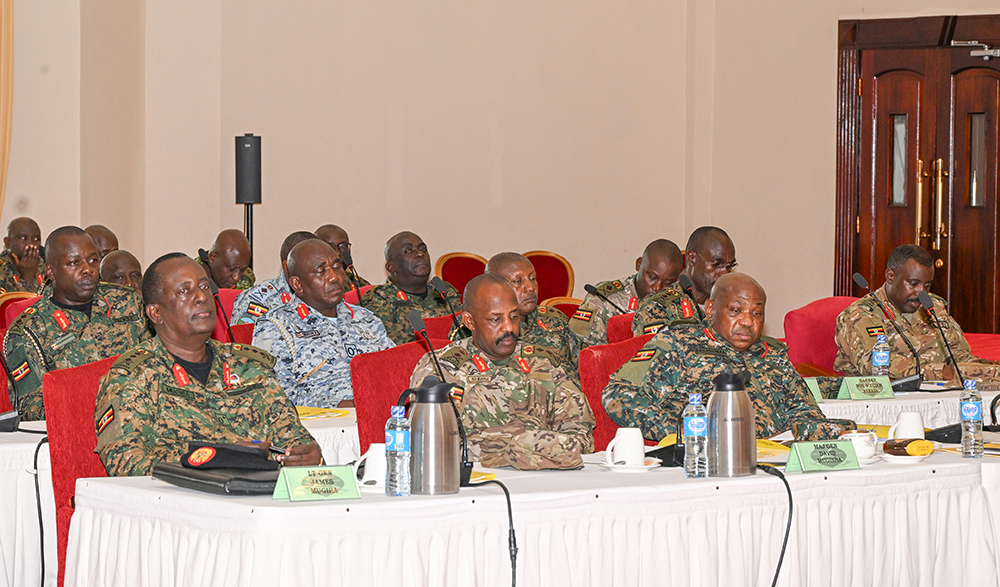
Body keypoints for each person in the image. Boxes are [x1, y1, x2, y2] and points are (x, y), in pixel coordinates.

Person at [94, 253, 322, 477]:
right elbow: (124, 461)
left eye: (204, 287)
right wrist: (216, 459)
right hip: (183, 503)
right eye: (184, 291)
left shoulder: (249, 367)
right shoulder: (133, 377)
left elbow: (293, 435)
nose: (201, 297)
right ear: (156, 313)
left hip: (261, 497)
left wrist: (306, 455)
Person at [605, 273, 855, 442]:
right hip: (708, 466)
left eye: (757, 314)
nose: (748, 322)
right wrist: (685, 430)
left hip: (775, 463)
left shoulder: (773, 355)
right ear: (711, 308)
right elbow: (618, 394)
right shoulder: (677, 344)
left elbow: (804, 412)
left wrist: (843, 432)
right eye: (736, 310)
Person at [411, 274, 595, 470]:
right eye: (495, 319)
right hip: (480, 481)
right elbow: (429, 444)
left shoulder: (541, 362)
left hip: (549, 474)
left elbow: (581, 432)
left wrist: (544, 452)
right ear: (469, 321)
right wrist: (511, 453)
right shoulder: (441, 367)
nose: (509, 327)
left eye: (514, 316)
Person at [4, 227, 149, 420]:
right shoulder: (28, 332)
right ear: (50, 271)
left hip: (142, 421)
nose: (88, 270)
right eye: (74, 263)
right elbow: (31, 409)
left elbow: (155, 361)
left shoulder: (126, 302)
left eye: (93, 260)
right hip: (76, 429)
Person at [253, 239, 394, 407]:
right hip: (320, 427)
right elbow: (274, 396)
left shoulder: (366, 319)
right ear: (297, 284)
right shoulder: (276, 327)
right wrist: (343, 405)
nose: (334, 277)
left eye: (336, 267)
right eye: (321, 271)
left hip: (379, 417)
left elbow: (395, 370)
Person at [835, 244, 1000, 385]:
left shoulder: (932, 306)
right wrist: (941, 372)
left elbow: (959, 357)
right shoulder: (860, 315)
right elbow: (877, 367)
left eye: (927, 285)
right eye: (913, 284)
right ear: (890, 276)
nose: (921, 293)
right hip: (878, 402)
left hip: (939, 396)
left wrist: (988, 370)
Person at [466, 252, 583, 375]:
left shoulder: (553, 318)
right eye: (517, 281)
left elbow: (583, 363)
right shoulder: (477, 323)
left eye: (532, 278)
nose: (530, 287)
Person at [569, 239, 683, 346]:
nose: (658, 288)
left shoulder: (679, 301)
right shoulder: (604, 299)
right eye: (652, 277)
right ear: (639, 264)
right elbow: (577, 347)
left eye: (668, 282)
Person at [632, 227, 737, 336]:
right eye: (716, 264)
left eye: (729, 266)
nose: (724, 273)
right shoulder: (659, 306)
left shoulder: (733, 306)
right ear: (692, 258)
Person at [361, 231, 461, 345]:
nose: (420, 254)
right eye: (408, 251)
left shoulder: (444, 291)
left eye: (423, 249)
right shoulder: (378, 299)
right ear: (391, 267)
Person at [231, 231, 316, 325]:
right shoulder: (259, 301)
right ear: (288, 267)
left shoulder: (329, 295)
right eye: (317, 268)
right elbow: (244, 339)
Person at [315, 224, 371, 288]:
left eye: (343, 246)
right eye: (330, 247)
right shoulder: (310, 286)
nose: (338, 253)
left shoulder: (360, 284)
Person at [0, 217, 44, 294]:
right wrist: (27, 278)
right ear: (8, 242)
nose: (31, 244)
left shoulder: (48, 268)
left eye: (36, 239)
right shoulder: (2, 269)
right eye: (23, 238)